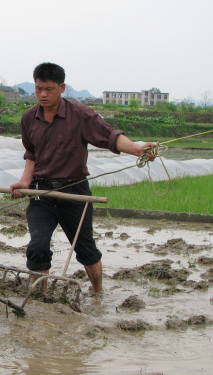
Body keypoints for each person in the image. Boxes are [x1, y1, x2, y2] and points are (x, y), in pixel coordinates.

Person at [9, 62, 157, 294]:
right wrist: (25, 181)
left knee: (85, 249)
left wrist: (137, 149)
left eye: (49, 89)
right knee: (37, 246)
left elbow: (110, 137)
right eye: (39, 89)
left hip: (74, 191)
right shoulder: (29, 118)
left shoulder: (80, 115)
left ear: (62, 87)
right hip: (41, 192)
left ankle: (98, 293)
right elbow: (31, 155)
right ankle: (39, 296)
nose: (43, 94)